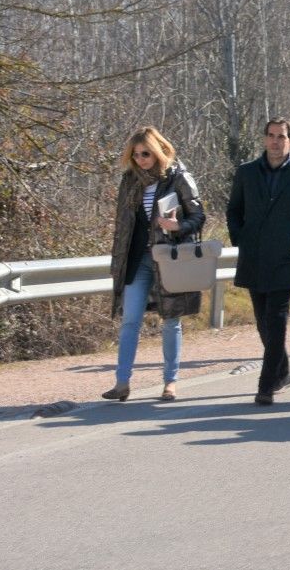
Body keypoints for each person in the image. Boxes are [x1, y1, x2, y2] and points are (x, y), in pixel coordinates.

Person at [227, 118, 290, 405]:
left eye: (281, 137)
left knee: (277, 321)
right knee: (263, 324)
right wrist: (240, 237)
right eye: (270, 136)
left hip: (285, 259)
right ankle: (282, 372)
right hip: (254, 258)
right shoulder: (246, 173)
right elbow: (234, 210)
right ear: (264, 139)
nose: (275, 141)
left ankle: (266, 384)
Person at [104, 126, 206, 402]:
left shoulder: (178, 177)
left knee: (171, 321)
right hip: (137, 260)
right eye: (136, 155)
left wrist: (177, 226)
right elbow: (122, 226)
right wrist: (118, 261)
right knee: (130, 321)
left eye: (146, 153)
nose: (141, 159)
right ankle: (122, 383)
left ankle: (170, 382)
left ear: (159, 151)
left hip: (169, 259)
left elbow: (198, 217)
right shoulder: (130, 180)